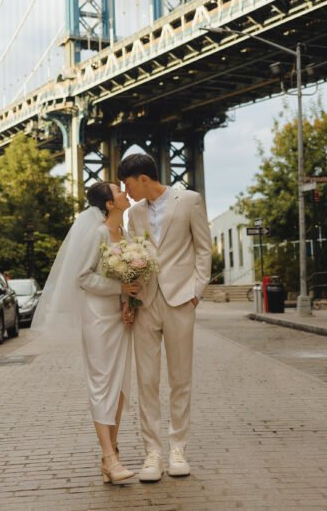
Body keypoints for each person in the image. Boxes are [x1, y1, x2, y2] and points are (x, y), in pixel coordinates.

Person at [32, 181, 140, 484]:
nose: (124, 193)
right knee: (102, 384)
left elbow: (129, 278)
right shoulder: (98, 234)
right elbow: (83, 277)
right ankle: (109, 458)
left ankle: (111, 455)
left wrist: (128, 302)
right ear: (109, 204)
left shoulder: (126, 235)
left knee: (119, 385)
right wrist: (120, 288)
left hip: (120, 318)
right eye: (118, 191)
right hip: (98, 318)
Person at [118, 153, 212, 483]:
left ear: (143, 178)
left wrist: (196, 291)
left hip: (180, 300)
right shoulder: (133, 214)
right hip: (145, 302)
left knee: (180, 378)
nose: (126, 192)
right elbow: (131, 257)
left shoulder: (189, 201)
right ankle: (153, 453)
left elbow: (203, 248)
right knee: (146, 381)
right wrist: (128, 299)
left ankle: (178, 450)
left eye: (128, 184)